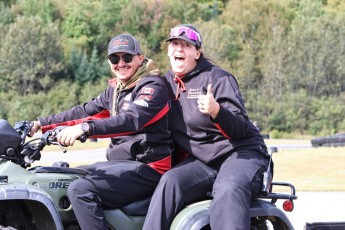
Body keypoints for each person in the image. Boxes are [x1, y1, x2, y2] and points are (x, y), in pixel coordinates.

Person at [29, 34, 174, 230]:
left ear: (140, 58)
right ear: (109, 61)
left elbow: (131, 120)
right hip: (119, 164)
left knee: (81, 190)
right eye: (114, 59)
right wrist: (41, 123)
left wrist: (85, 128)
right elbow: (83, 111)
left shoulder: (152, 87)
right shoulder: (116, 89)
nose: (120, 64)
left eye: (127, 58)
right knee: (60, 177)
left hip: (149, 167)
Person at [142, 24, 270, 230]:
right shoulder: (163, 84)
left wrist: (216, 110)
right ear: (168, 50)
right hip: (203, 161)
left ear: (197, 53)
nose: (179, 49)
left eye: (187, 45)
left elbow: (240, 128)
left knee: (228, 187)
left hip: (240, 154)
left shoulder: (218, 78)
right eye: (175, 44)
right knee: (170, 182)